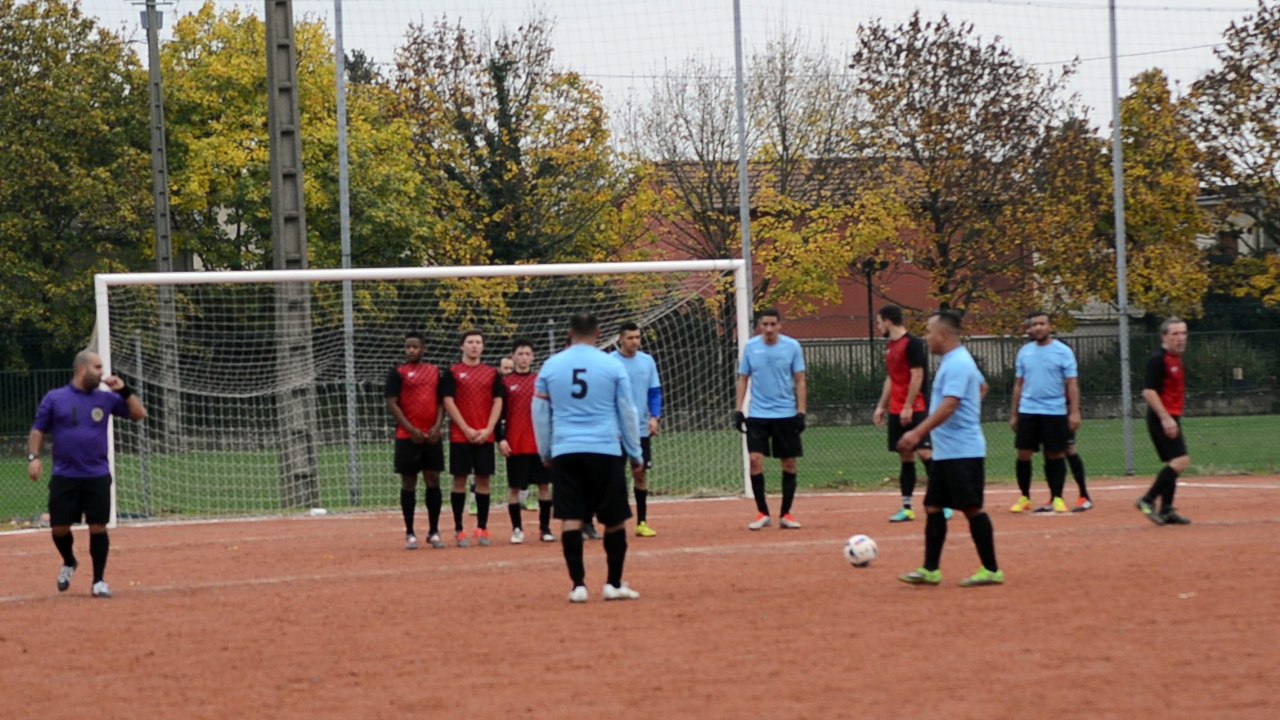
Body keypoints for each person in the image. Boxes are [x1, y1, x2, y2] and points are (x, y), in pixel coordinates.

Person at [533, 313, 643, 602]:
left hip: (566, 449)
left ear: (569, 333)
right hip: (605, 449)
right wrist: (635, 452)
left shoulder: (551, 366)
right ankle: (613, 584)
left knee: (570, 517)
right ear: (598, 333)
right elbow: (627, 412)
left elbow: (540, 414)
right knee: (615, 518)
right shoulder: (612, 365)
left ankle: (578, 586)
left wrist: (545, 450)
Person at [27, 350, 147, 598]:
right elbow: (38, 430)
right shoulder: (55, 398)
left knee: (98, 528)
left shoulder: (106, 399)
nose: (102, 372)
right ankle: (69, 561)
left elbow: (139, 414)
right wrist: (34, 458)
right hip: (64, 475)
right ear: (82, 370)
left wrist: (123, 390)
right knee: (59, 528)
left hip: (97, 474)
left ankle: (99, 581)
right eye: (98, 367)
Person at [898, 311, 1002, 587]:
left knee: (972, 508)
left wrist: (919, 432)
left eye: (929, 332)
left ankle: (991, 569)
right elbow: (982, 387)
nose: (926, 338)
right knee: (933, 507)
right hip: (948, 452)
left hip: (963, 452)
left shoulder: (957, 364)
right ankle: (930, 569)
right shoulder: (955, 361)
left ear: (943, 336)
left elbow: (950, 404)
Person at [872, 305, 949, 523]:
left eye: (879, 322)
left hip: (916, 408)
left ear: (887, 321)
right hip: (896, 408)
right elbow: (892, 378)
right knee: (905, 454)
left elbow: (917, 376)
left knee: (925, 454)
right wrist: (882, 406)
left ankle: (944, 501)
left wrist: (907, 405)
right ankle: (907, 507)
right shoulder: (890, 346)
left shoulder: (913, 344)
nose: (878, 327)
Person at [734, 308, 807, 530]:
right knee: (755, 460)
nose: (768, 329)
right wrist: (738, 410)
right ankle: (762, 512)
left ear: (780, 325)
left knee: (789, 462)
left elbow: (800, 380)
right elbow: (743, 379)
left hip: (785, 414)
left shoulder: (792, 347)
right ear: (759, 326)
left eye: (772, 324)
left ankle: (786, 513)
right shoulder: (751, 348)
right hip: (758, 414)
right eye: (764, 324)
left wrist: (801, 412)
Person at [1007, 312, 1081, 515]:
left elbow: (1072, 383)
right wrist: (1014, 414)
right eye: (1035, 324)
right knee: (1023, 453)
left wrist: (1074, 412)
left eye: (1042, 323)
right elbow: (1018, 384)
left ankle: (1057, 497)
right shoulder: (1024, 352)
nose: (1038, 327)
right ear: (1030, 329)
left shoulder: (1063, 352)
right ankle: (1024, 497)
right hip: (1028, 410)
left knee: (1055, 453)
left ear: (1050, 327)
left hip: (1054, 411)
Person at [442, 330, 505, 547]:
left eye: (478, 342)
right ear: (462, 346)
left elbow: (498, 402)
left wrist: (489, 429)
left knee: (483, 480)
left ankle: (482, 527)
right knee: (459, 480)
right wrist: (466, 428)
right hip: (461, 436)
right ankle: (459, 528)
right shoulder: (452, 372)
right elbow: (448, 401)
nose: (474, 346)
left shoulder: (491, 373)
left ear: (483, 347)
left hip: (484, 436)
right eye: (470, 342)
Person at [385, 331, 446, 550]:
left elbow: (441, 402)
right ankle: (410, 532)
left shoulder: (435, 372)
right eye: (407, 347)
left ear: (423, 349)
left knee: (433, 480)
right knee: (408, 482)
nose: (411, 350)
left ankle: (434, 530)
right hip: (407, 437)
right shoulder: (397, 373)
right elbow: (392, 403)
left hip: (431, 436)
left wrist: (437, 427)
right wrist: (411, 430)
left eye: (415, 346)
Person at [1136, 317, 1192, 525]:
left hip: (1171, 416)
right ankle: (1147, 499)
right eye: (1175, 334)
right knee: (1181, 461)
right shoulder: (1158, 360)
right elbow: (1149, 392)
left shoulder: (1176, 359)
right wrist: (1166, 418)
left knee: (1174, 463)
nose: (1180, 338)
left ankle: (1167, 509)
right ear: (1164, 337)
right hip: (1161, 417)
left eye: (1183, 333)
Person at [498, 338, 554, 544]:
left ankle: (545, 528)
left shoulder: (541, 381)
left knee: (544, 486)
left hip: (539, 444)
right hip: (516, 444)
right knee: (514, 488)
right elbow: (498, 414)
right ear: (513, 357)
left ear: (533, 357)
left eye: (527, 354)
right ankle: (517, 529)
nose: (523, 358)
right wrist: (501, 439)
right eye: (519, 354)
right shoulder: (504, 383)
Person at [611, 322, 663, 538]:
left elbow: (655, 391)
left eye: (637, 337)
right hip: (615, 431)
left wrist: (655, 417)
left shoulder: (647, 361)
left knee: (640, 474)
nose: (635, 342)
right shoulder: (611, 362)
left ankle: (641, 522)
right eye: (630, 337)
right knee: (613, 477)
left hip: (640, 430)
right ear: (621, 339)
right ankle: (614, 521)